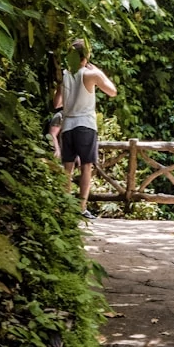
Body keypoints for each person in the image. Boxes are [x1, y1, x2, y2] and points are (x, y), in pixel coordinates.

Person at [53, 39, 117, 218]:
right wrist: (98, 72)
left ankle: (66, 205)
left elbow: (56, 103)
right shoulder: (90, 75)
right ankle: (81, 207)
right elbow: (112, 91)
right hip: (85, 125)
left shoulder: (65, 75)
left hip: (67, 125)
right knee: (86, 166)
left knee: (67, 167)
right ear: (86, 56)